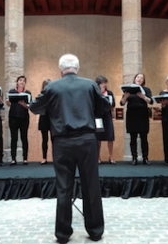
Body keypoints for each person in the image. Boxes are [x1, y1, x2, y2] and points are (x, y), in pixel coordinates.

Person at [30, 54, 107, 243]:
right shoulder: (90, 85)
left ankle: (63, 234)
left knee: (64, 187)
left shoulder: (52, 87)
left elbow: (34, 107)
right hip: (88, 141)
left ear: (60, 69)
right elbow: (104, 107)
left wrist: (51, 109)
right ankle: (95, 231)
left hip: (62, 143)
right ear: (77, 68)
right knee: (91, 185)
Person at [120, 73, 153, 165]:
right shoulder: (129, 90)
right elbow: (122, 103)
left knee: (144, 138)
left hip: (142, 116)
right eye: (138, 77)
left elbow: (151, 101)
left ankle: (145, 158)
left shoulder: (146, 90)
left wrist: (143, 97)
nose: (139, 79)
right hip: (131, 116)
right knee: (133, 138)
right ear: (135, 79)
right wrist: (125, 97)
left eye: (141, 78)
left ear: (143, 81)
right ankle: (134, 157)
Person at [6, 76, 31, 165]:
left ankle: (25, 158)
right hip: (13, 117)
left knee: (24, 137)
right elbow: (8, 103)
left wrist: (25, 105)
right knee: (14, 138)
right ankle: (13, 158)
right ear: (17, 82)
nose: (22, 82)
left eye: (24, 81)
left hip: (24, 117)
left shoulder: (27, 93)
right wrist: (8, 103)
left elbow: (29, 106)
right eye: (20, 80)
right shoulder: (11, 92)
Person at [95, 76, 116, 164]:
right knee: (98, 137)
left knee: (110, 136)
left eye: (105, 83)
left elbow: (113, 104)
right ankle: (98, 157)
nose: (104, 85)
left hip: (107, 116)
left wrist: (110, 103)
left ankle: (111, 157)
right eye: (102, 83)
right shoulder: (95, 93)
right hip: (98, 117)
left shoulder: (109, 93)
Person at [38, 79, 51, 165]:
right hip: (44, 118)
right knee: (44, 139)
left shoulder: (54, 95)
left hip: (53, 118)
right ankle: (44, 158)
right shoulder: (41, 96)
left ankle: (56, 157)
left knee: (55, 139)